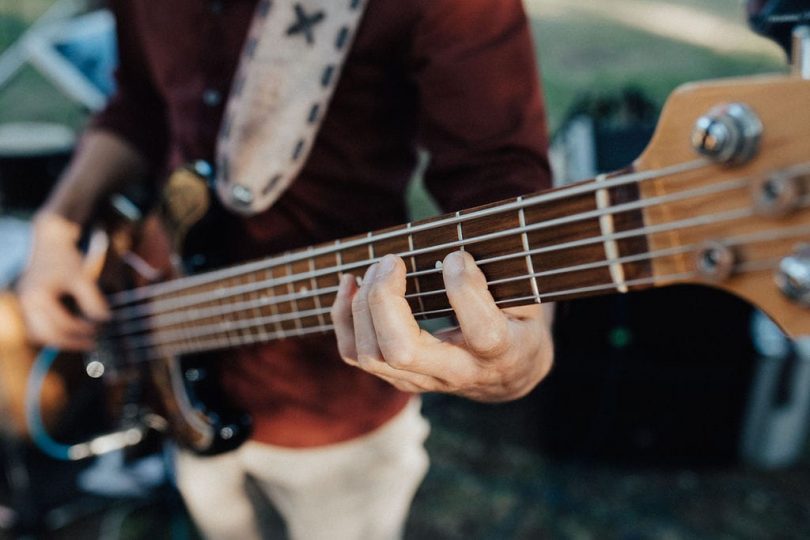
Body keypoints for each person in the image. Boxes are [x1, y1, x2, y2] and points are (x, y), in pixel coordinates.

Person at [17, 0, 555, 538]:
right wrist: (57, 223)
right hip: (170, 361)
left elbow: (499, 173)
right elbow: (138, 102)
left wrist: (526, 335)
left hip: (337, 405)